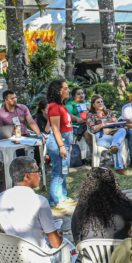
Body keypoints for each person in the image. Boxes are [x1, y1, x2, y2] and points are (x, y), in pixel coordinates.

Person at [0, 156, 73, 263]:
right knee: (63, 249)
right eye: (37, 171)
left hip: (8, 262)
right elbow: (55, 243)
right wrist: (57, 235)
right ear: (27, 176)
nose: (40, 175)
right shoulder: (39, 201)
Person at [71, 167, 132, 243]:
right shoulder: (128, 206)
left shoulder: (81, 209)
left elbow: (76, 237)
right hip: (121, 249)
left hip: (89, 250)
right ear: (113, 185)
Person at [45, 79, 75, 208]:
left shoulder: (62, 105)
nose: (68, 90)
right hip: (58, 142)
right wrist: (62, 146)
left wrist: (69, 144)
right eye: (66, 88)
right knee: (58, 172)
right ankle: (54, 201)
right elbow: (55, 129)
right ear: (58, 90)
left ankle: (62, 197)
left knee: (64, 171)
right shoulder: (53, 106)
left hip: (65, 141)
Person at [86, 95, 127, 174]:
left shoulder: (109, 112)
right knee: (119, 143)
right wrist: (102, 124)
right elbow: (92, 129)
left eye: (101, 102)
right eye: (98, 102)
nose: (100, 103)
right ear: (93, 105)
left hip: (112, 133)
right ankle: (119, 167)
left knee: (123, 130)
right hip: (100, 135)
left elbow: (116, 122)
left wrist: (114, 121)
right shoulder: (90, 115)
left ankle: (114, 146)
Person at [66, 87, 93, 152]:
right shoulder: (71, 104)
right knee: (87, 133)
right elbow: (68, 115)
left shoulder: (89, 103)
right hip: (78, 126)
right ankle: (94, 152)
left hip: (91, 124)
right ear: (73, 96)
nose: (81, 95)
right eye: (78, 94)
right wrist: (77, 119)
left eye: (82, 93)